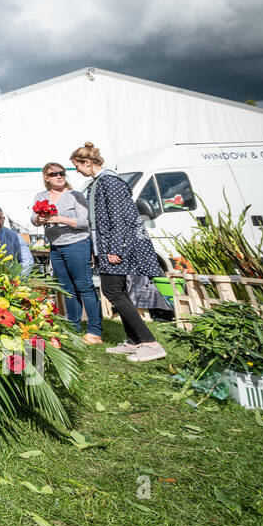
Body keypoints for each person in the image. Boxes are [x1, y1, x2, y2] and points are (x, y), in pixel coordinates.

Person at [71, 142, 167, 362]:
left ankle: (150, 343)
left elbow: (118, 219)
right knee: (119, 292)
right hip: (106, 246)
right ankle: (133, 342)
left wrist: (114, 249)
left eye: (78, 166)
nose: (77, 170)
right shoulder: (101, 182)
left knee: (112, 292)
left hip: (115, 247)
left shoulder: (110, 182)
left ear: (87, 163)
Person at [32, 162, 101, 343]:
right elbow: (33, 219)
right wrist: (38, 219)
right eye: (53, 174)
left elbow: (86, 221)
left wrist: (60, 219)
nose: (59, 176)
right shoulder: (41, 196)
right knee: (67, 290)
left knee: (84, 287)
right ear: (46, 177)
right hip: (56, 246)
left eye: (61, 173)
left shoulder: (74, 195)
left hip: (76, 244)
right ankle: (73, 328)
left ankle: (95, 330)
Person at [0, 205, 33, 272]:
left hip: (11, 277)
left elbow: (27, 260)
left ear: (3, 219)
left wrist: (18, 279)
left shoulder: (15, 237)